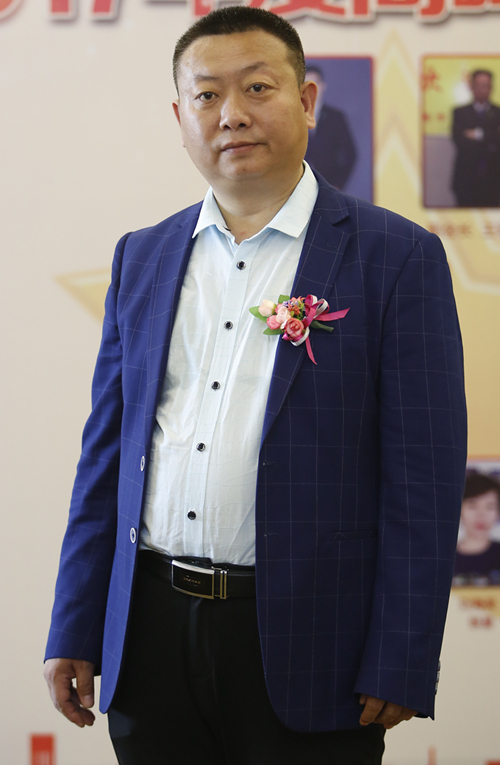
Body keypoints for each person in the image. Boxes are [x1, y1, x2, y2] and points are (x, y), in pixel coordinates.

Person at [43, 7, 467, 765]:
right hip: (150, 636)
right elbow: (105, 460)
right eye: (206, 96)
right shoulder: (142, 256)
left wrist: (401, 653)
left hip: (314, 643)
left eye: (257, 88)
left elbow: (423, 481)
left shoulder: (396, 257)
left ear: (306, 100)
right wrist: (75, 624)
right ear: (181, 118)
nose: (231, 114)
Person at [452, 69, 500, 207]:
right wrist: (491, 136)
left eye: (486, 85)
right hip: (466, 180)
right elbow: (459, 141)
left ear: (491, 88)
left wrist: (478, 134)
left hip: (494, 181)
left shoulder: (498, 113)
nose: (482, 89)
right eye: (478, 85)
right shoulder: (460, 113)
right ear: (472, 87)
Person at [304, 64, 357, 190]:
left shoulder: (335, 118)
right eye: (307, 84)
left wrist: (337, 184)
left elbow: (350, 153)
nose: (311, 89)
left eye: (315, 83)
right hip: (298, 186)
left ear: (323, 86)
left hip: (327, 185)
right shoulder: (292, 117)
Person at [453, 472, 500, 586]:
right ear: (460, 509)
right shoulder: (444, 559)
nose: (481, 514)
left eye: (489, 507)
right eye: (472, 506)